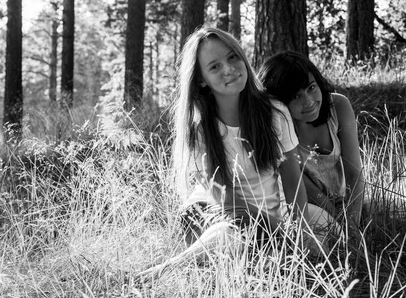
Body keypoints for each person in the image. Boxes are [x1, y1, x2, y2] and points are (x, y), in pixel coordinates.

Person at [138, 28, 331, 280]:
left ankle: (254, 255)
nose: (229, 69)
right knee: (233, 234)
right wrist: (277, 229)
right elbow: (224, 198)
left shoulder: (275, 112)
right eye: (215, 66)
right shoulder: (200, 127)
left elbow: (293, 181)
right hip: (216, 212)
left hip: (269, 211)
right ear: (201, 79)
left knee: (329, 233)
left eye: (232, 57)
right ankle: (164, 270)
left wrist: (298, 230)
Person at [257, 51, 365, 235]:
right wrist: (336, 217)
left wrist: (352, 224)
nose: (308, 102)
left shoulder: (338, 106)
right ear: (278, 102)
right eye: (295, 96)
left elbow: (354, 172)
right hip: (304, 203)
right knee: (326, 238)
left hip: (343, 198)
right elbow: (300, 184)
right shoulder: (276, 125)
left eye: (311, 88)